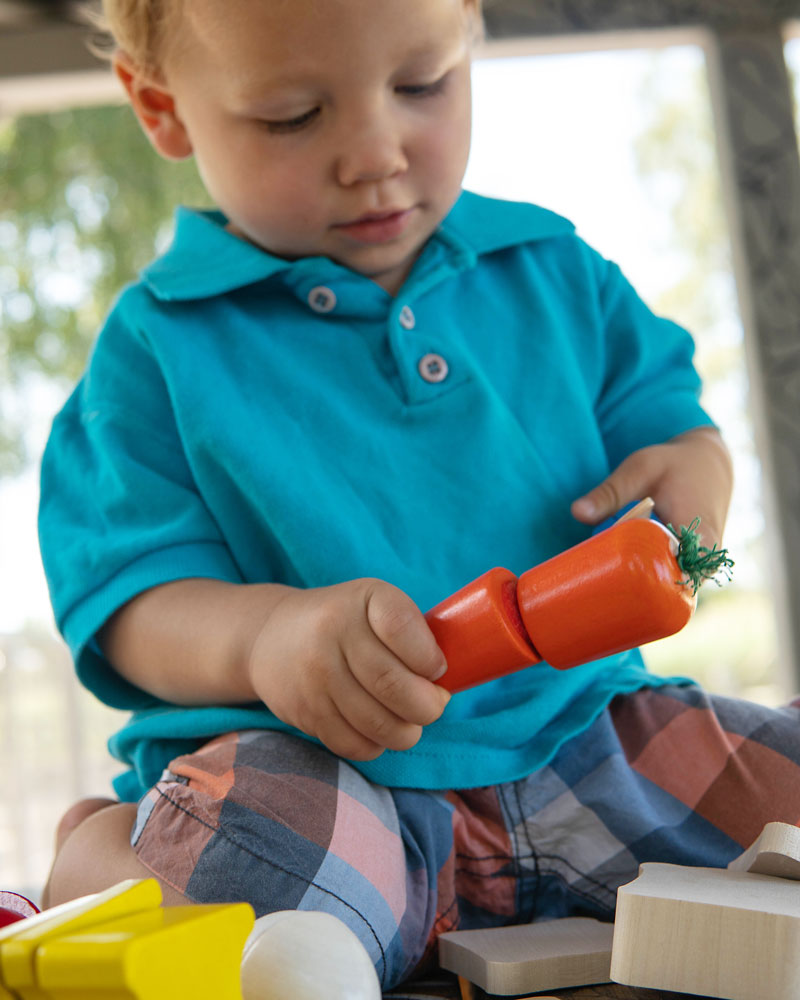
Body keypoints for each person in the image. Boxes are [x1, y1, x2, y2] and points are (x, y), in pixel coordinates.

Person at [38, 0, 800, 990]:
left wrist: (695, 475)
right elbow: (128, 600)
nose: (372, 153)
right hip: (332, 777)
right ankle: (107, 861)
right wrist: (267, 637)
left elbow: (672, 425)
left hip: (589, 735)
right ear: (161, 107)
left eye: (419, 86)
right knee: (228, 872)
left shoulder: (555, 270)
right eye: (290, 115)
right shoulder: (156, 351)